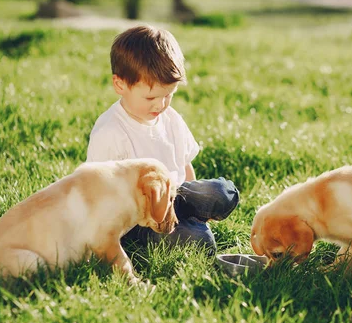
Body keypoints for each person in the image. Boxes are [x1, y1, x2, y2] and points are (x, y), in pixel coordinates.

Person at [86, 25, 239, 255]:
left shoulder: (170, 118)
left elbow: (185, 166)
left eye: (169, 95)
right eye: (151, 97)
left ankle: (190, 222)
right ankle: (186, 231)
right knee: (201, 242)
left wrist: (194, 207)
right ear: (120, 85)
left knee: (224, 192)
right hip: (142, 218)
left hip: (176, 195)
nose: (161, 105)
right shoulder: (111, 132)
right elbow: (99, 194)